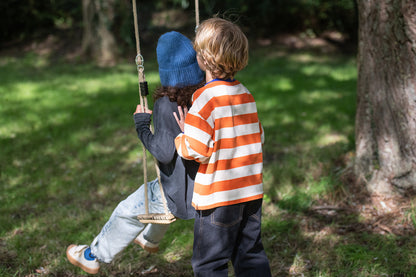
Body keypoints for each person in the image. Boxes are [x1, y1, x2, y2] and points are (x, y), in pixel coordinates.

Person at [66, 31, 204, 275]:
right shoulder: (206, 96)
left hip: (178, 191)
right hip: (204, 187)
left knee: (127, 211)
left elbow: (163, 152)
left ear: (166, 71)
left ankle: (92, 255)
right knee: (155, 196)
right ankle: (150, 239)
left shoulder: (166, 105)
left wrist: (142, 126)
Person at [174, 17, 272, 276]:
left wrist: (181, 138)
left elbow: (197, 149)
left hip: (219, 199)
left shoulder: (203, 99)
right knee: (250, 255)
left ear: (203, 59)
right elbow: (258, 136)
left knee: (210, 263)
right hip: (251, 194)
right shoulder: (246, 95)